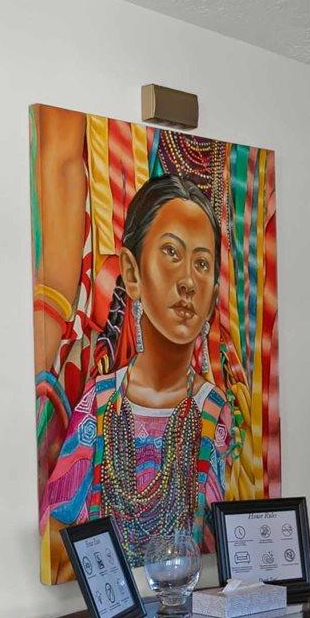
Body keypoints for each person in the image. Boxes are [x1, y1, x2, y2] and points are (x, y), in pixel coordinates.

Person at [42, 172, 234, 555]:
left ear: (214, 288)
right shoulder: (101, 405)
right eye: (171, 253)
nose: (188, 283)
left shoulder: (214, 412)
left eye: (202, 263)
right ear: (132, 274)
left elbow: (228, 542)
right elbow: (56, 540)